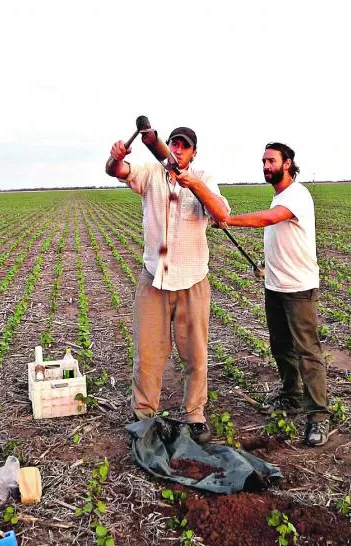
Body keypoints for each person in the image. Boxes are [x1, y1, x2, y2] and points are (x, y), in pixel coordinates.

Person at [106, 126, 230, 442]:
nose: (178, 149)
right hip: (154, 279)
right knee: (148, 353)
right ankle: (144, 415)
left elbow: (221, 213)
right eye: (174, 144)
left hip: (193, 280)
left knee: (195, 353)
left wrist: (194, 184)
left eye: (184, 146)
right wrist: (115, 158)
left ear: (193, 153)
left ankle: (195, 415)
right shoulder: (151, 173)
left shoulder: (203, 177)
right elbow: (117, 171)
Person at [219, 142, 330, 446]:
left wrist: (228, 219)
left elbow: (268, 219)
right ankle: (291, 398)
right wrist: (265, 266)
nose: (266, 166)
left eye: (271, 161)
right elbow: (281, 240)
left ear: (288, 163)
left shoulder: (297, 195)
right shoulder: (279, 196)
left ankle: (318, 416)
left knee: (307, 351)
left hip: (299, 289)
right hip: (276, 287)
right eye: (263, 161)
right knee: (281, 348)